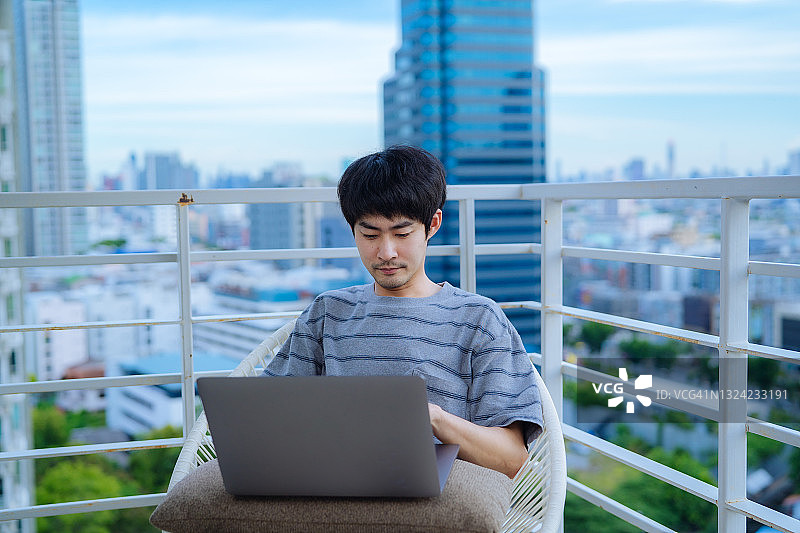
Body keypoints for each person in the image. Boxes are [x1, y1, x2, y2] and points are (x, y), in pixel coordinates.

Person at [264, 145, 543, 478]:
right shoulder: (328, 311)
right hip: (333, 479)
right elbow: (269, 416)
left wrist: (434, 418)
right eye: (369, 234)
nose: (386, 252)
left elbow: (513, 460)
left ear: (433, 224)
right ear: (352, 229)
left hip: (433, 494)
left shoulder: (479, 319)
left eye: (402, 233)